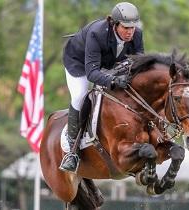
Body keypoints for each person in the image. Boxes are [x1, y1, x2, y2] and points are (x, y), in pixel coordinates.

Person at [59, 2, 144, 173]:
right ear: (114, 24)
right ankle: (72, 150)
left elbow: (139, 63)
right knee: (81, 95)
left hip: (109, 63)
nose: (130, 32)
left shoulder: (137, 34)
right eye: (126, 27)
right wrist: (113, 81)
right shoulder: (97, 33)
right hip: (80, 62)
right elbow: (92, 73)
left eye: (132, 28)